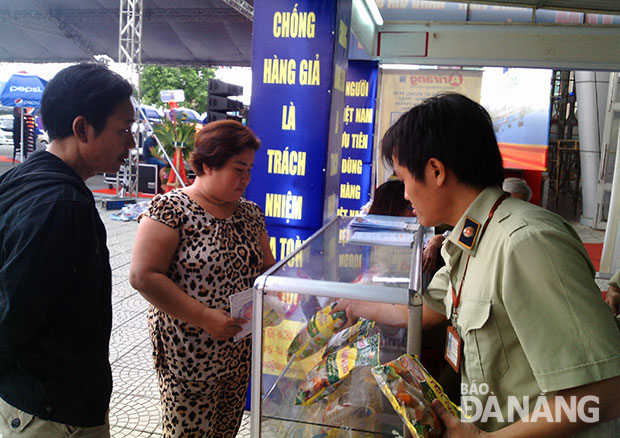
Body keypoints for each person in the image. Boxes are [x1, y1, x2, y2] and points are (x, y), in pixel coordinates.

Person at [381, 92, 620, 437]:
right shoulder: (470, 239)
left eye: (403, 179)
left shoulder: (524, 243)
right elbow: (430, 307)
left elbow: (603, 393)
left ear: (435, 171)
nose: (404, 194)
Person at [0, 63, 135, 437]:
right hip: (50, 414)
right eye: (123, 130)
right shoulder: (61, 207)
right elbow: (12, 317)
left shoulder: (26, 176)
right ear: (82, 128)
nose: (131, 144)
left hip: (34, 399)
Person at [129, 119, 276, 438]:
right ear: (208, 164)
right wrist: (205, 317)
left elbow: (266, 266)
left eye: (250, 170)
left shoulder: (249, 214)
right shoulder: (171, 209)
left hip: (237, 349)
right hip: (190, 354)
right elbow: (143, 275)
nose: (246, 179)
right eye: (239, 169)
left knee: (226, 430)